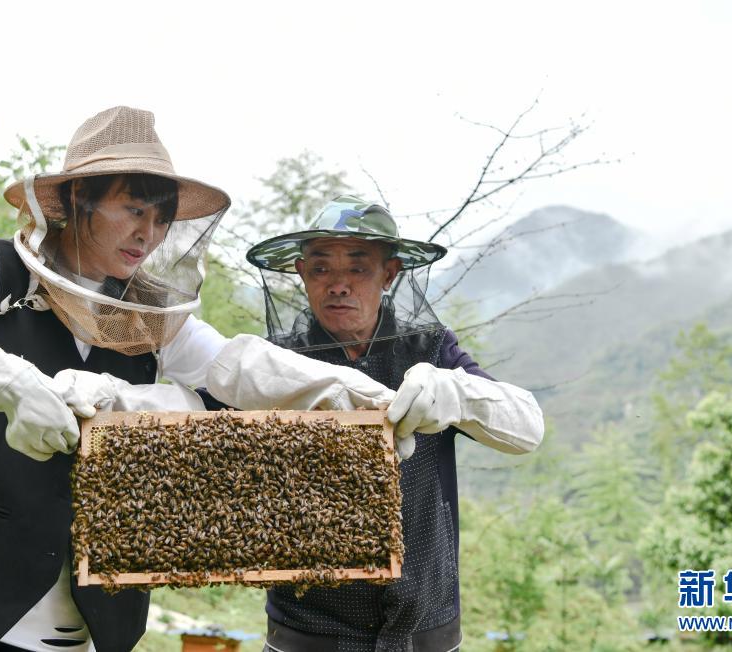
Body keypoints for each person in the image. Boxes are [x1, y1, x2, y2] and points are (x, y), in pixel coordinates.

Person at [0, 106, 239, 652]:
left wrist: (366, 397)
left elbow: (237, 374)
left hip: (80, 633)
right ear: (81, 200)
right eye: (134, 209)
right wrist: (12, 384)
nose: (148, 235)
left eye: (160, 219)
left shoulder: (151, 318)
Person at [206, 195, 545, 651]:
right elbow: (187, 419)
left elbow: (525, 426)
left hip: (427, 628)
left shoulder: (431, 349)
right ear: (301, 274)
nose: (338, 285)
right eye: (322, 268)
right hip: (306, 631)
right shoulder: (271, 363)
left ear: (389, 274)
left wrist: (457, 392)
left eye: (358, 268)